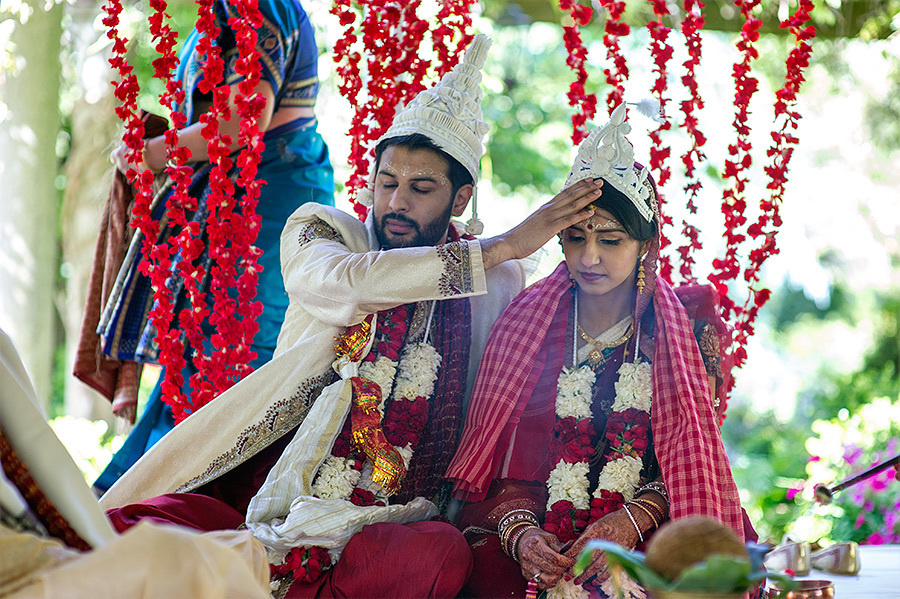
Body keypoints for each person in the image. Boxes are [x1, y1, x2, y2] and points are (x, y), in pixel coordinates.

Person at [98, 34, 601, 598]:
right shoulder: (324, 232)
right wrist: (502, 247)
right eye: (386, 183)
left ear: (460, 201)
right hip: (276, 487)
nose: (396, 203)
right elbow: (348, 284)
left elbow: (502, 396)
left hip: (394, 512)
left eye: (421, 188)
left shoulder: (497, 282)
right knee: (125, 532)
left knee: (433, 557)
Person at [445, 104, 758, 599]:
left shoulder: (688, 327)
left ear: (646, 244)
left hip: (650, 526)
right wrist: (522, 534)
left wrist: (631, 519)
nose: (589, 258)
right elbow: (500, 466)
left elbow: (688, 466)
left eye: (610, 239)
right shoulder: (527, 326)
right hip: (539, 529)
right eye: (574, 238)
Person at [89, 0, 335, 494]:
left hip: (267, 204)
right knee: (193, 358)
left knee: (235, 362)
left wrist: (153, 153)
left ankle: (173, 511)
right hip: (227, 203)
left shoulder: (260, 5)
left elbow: (245, 118)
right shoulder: (219, 11)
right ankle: (123, 501)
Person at [0, 328, 271, 599]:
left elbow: (35, 450)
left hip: (37, 550)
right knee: (192, 561)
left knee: (243, 551)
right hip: (24, 571)